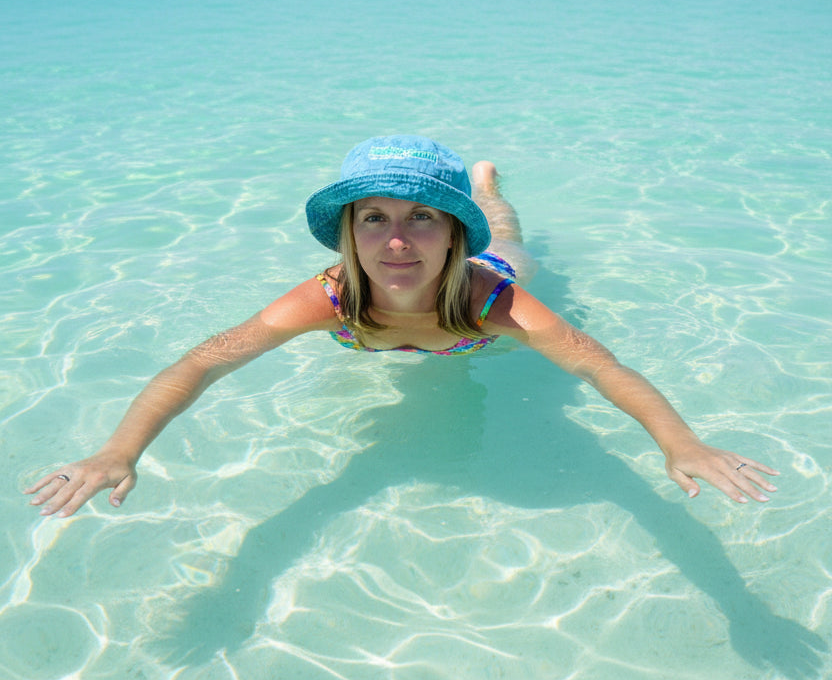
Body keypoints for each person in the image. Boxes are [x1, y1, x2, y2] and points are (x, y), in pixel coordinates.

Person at [26, 134, 778, 519]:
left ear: (452, 234)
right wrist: (119, 451)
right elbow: (202, 362)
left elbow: (598, 365)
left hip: (499, 266)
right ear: (347, 234)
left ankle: (486, 189)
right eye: (374, 219)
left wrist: (679, 443)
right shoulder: (326, 300)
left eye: (423, 217)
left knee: (511, 234)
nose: (396, 241)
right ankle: (477, 187)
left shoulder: (494, 301)